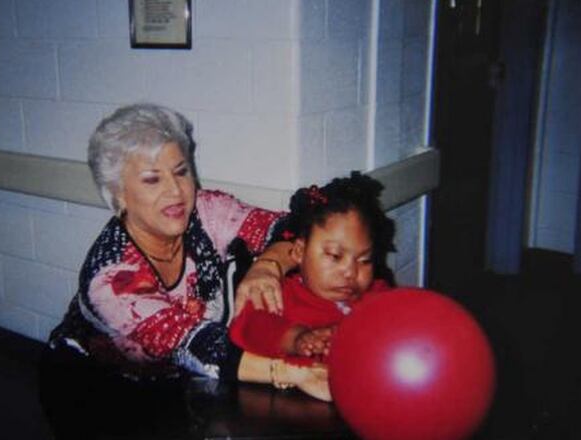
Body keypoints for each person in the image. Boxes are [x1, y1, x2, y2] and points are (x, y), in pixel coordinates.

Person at [39, 103, 329, 438]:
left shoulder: (207, 211)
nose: (175, 191)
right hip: (96, 393)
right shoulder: (111, 277)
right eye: (152, 179)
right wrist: (298, 373)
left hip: (177, 382)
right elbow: (197, 346)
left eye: (181, 171)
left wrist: (270, 263)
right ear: (119, 194)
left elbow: (296, 226)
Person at [229, 172, 396, 366]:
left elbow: (399, 323)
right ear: (300, 251)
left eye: (365, 260)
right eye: (335, 256)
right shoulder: (281, 296)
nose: (350, 272)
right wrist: (298, 338)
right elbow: (249, 326)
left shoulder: (378, 294)